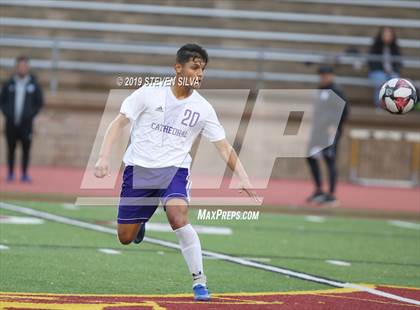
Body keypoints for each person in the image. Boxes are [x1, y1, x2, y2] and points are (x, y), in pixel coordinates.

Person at [94, 44, 258, 301]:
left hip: (175, 171)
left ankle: (199, 282)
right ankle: (139, 227)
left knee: (178, 216)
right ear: (178, 68)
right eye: (195, 67)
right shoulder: (149, 93)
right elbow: (119, 122)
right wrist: (103, 157)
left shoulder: (203, 108)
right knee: (125, 237)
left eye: (203, 69)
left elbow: (224, 146)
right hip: (139, 170)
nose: (200, 73)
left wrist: (243, 175)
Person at [306, 65, 348, 206]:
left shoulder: (337, 91)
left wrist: (335, 126)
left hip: (330, 131)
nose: (323, 78)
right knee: (310, 156)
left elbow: (344, 110)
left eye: (325, 75)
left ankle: (331, 194)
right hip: (318, 130)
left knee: (329, 159)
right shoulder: (319, 90)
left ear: (332, 76)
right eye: (321, 76)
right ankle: (318, 189)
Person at [0, 56, 43, 183]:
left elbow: (39, 102)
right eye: (20, 66)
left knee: (26, 148)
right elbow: (2, 101)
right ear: (16, 67)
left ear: (28, 67)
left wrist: (30, 115)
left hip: (26, 124)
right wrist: (8, 114)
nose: (22, 68)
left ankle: (24, 174)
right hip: (11, 124)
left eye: (24, 66)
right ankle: (11, 173)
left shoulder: (33, 85)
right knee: (11, 148)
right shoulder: (9, 84)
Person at [368, 27, 402, 107]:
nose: (387, 37)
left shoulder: (395, 48)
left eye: (389, 35)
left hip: (392, 72)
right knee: (381, 80)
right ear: (381, 35)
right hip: (378, 71)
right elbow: (371, 62)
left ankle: (393, 105)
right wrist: (383, 70)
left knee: (395, 81)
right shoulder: (375, 47)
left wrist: (393, 70)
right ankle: (379, 105)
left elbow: (399, 63)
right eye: (385, 35)